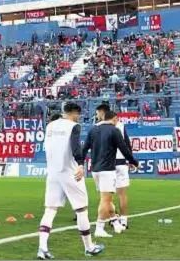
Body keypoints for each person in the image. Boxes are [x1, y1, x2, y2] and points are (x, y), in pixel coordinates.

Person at [37, 102, 104, 260]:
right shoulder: (73, 126)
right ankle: (89, 247)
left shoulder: (50, 126)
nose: (77, 118)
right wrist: (81, 164)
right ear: (75, 113)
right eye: (77, 115)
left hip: (53, 173)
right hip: (70, 173)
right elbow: (75, 148)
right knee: (81, 210)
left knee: (50, 210)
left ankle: (42, 248)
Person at [85, 110, 139, 238]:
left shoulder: (93, 129)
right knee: (107, 199)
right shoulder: (115, 130)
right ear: (114, 118)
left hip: (95, 168)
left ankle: (115, 221)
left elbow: (85, 148)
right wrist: (134, 162)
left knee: (106, 198)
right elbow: (125, 148)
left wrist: (80, 164)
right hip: (108, 168)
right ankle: (100, 228)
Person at [95, 104, 133, 229]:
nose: (97, 115)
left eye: (98, 113)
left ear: (102, 112)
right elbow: (127, 144)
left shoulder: (97, 127)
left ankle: (113, 219)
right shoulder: (120, 125)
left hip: (106, 163)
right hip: (121, 162)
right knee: (121, 193)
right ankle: (122, 220)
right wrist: (131, 160)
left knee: (106, 194)